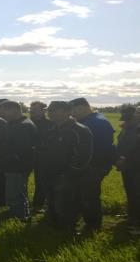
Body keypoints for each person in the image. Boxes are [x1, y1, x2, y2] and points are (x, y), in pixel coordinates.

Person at [38, 101, 92, 232]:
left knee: (65, 204)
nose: (49, 113)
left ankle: (67, 231)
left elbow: (84, 156)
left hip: (67, 176)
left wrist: (69, 173)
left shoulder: (80, 130)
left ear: (67, 112)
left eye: (54, 110)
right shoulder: (51, 129)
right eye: (49, 110)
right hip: (49, 174)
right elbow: (44, 151)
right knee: (51, 203)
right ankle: (54, 228)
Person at [70, 98, 117, 232]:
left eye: (74, 110)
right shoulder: (91, 119)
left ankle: (93, 225)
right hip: (90, 165)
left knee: (89, 194)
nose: (72, 114)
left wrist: (89, 165)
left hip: (95, 165)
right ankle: (85, 220)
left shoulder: (97, 123)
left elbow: (99, 149)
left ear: (83, 108)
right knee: (83, 193)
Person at [0, 101, 38, 221]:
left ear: (15, 110)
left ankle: (19, 217)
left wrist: (5, 156)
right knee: (17, 191)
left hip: (18, 165)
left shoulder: (23, 126)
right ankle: (20, 214)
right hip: (14, 164)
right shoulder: (16, 123)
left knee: (16, 193)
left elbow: (21, 150)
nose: (1, 114)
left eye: (4, 111)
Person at [115, 106, 140, 235]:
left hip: (136, 167)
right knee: (131, 192)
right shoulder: (129, 127)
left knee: (137, 194)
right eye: (136, 112)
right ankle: (132, 217)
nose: (136, 115)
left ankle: (137, 224)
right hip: (128, 167)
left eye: (138, 113)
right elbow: (122, 143)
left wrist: (125, 159)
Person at [28, 101, 55, 212]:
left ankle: (39, 205)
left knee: (42, 182)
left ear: (43, 111)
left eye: (35, 110)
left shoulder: (51, 124)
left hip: (44, 158)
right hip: (28, 156)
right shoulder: (27, 123)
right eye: (31, 110)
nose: (32, 112)